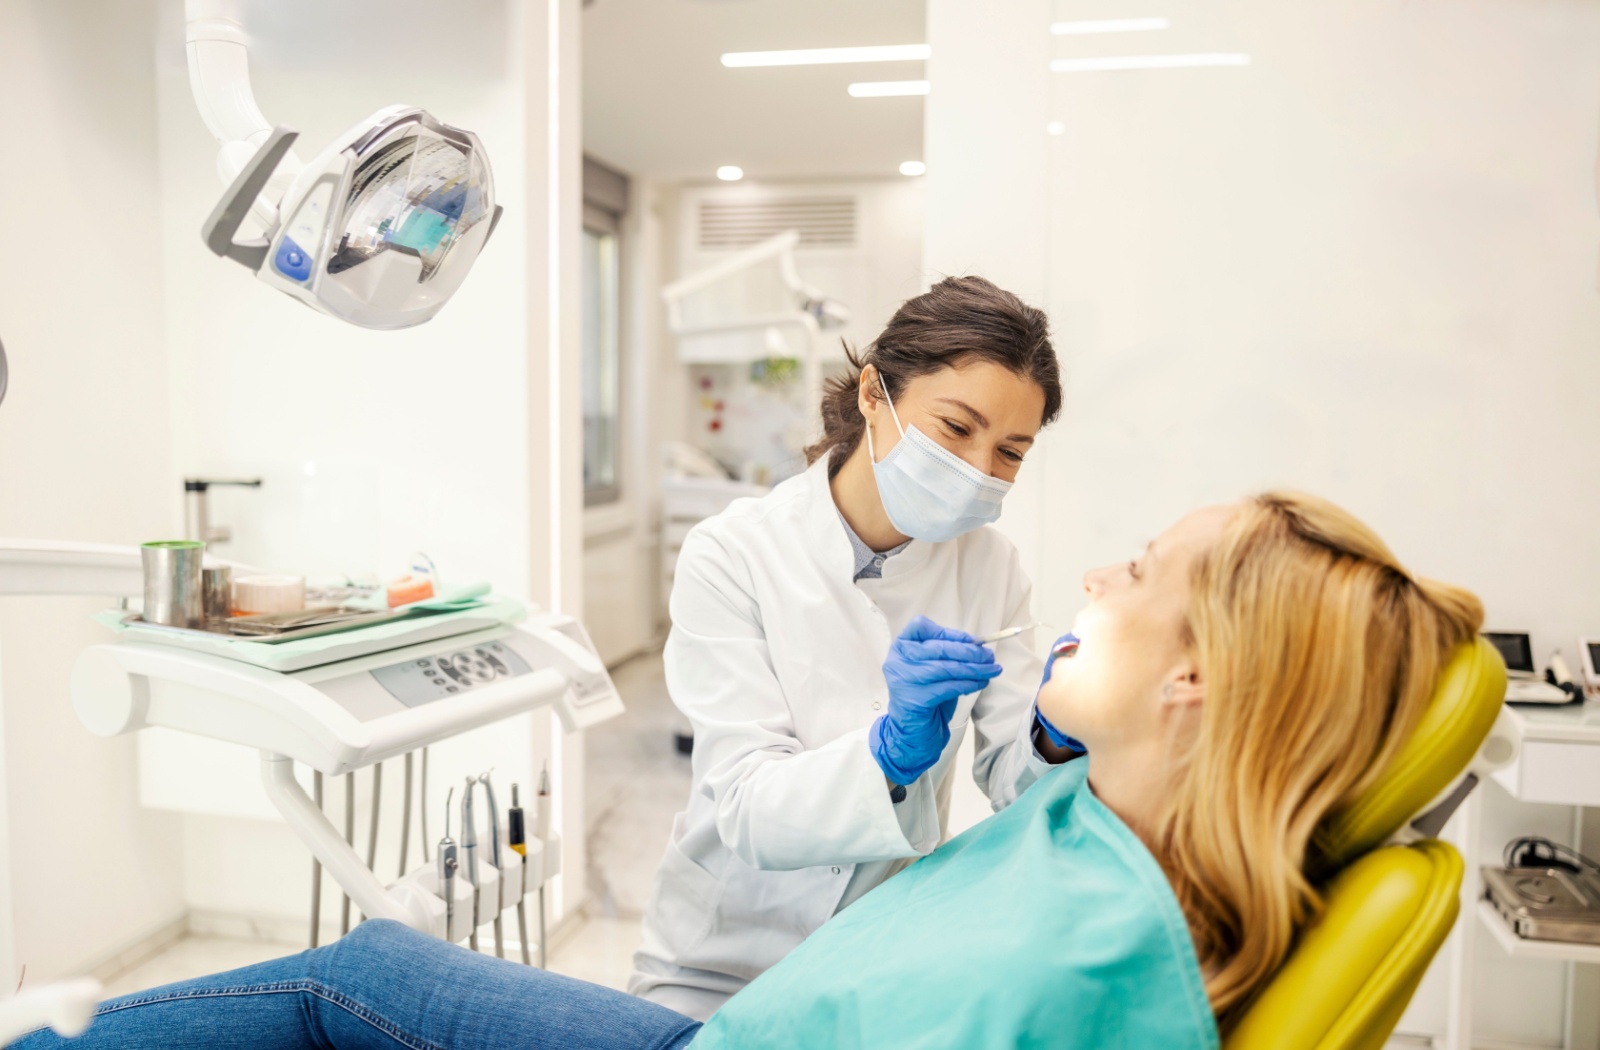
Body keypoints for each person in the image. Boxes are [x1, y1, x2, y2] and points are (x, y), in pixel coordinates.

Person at [17, 490, 1483, 1049]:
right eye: (960, 432)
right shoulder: (1117, 845)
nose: (1095, 573)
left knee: (345, 984)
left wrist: (989, 738)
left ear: (1196, 684)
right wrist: (960, 745)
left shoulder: (1064, 948)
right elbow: (748, 804)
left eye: (1141, 569)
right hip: (746, 988)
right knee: (376, 963)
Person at [629, 275, 1075, 1018]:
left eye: (1010, 452)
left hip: (871, 959)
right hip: (716, 960)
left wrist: (1055, 733)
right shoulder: (733, 553)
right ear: (874, 393)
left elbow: (1014, 781)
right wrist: (887, 755)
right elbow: (745, 806)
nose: (978, 469)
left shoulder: (991, 568)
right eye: (955, 428)